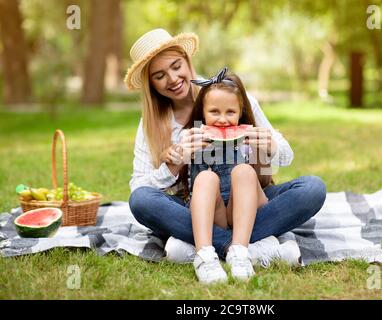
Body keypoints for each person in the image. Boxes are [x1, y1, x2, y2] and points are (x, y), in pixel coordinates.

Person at [125, 29, 327, 283]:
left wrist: (271, 145)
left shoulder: (232, 96)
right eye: (159, 75)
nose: (173, 78)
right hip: (199, 204)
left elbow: (286, 157)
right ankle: (248, 250)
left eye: (177, 66)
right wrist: (173, 166)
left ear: (187, 61)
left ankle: (199, 248)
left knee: (312, 188)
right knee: (142, 200)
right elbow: (138, 188)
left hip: (251, 198)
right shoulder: (152, 124)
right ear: (151, 83)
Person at [171, 67, 300, 282]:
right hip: (216, 214)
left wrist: (268, 148)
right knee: (205, 177)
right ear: (202, 112)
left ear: (241, 112)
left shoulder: (251, 136)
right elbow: (175, 177)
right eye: (214, 112)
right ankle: (209, 255)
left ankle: (238, 251)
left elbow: (269, 175)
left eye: (230, 112)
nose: (222, 120)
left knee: (244, 171)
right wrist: (179, 154)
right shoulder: (191, 137)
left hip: (247, 207)